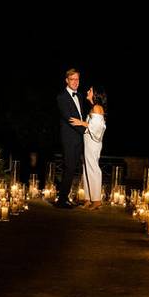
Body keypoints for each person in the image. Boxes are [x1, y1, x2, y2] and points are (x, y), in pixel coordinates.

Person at [71, 87, 107, 209]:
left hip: (93, 142)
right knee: (86, 168)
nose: (87, 92)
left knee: (93, 168)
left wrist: (81, 123)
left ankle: (96, 200)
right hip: (88, 141)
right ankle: (88, 198)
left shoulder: (97, 108)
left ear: (95, 94)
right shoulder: (93, 107)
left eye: (90, 91)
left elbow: (96, 127)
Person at [55, 69, 85, 209]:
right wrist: (88, 130)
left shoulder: (79, 95)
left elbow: (80, 117)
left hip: (78, 138)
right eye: (72, 79)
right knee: (69, 168)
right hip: (69, 138)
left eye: (77, 79)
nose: (75, 82)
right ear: (66, 80)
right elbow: (70, 120)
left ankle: (65, 197)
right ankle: (61, 201)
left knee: (73, 169)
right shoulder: (61, 97)